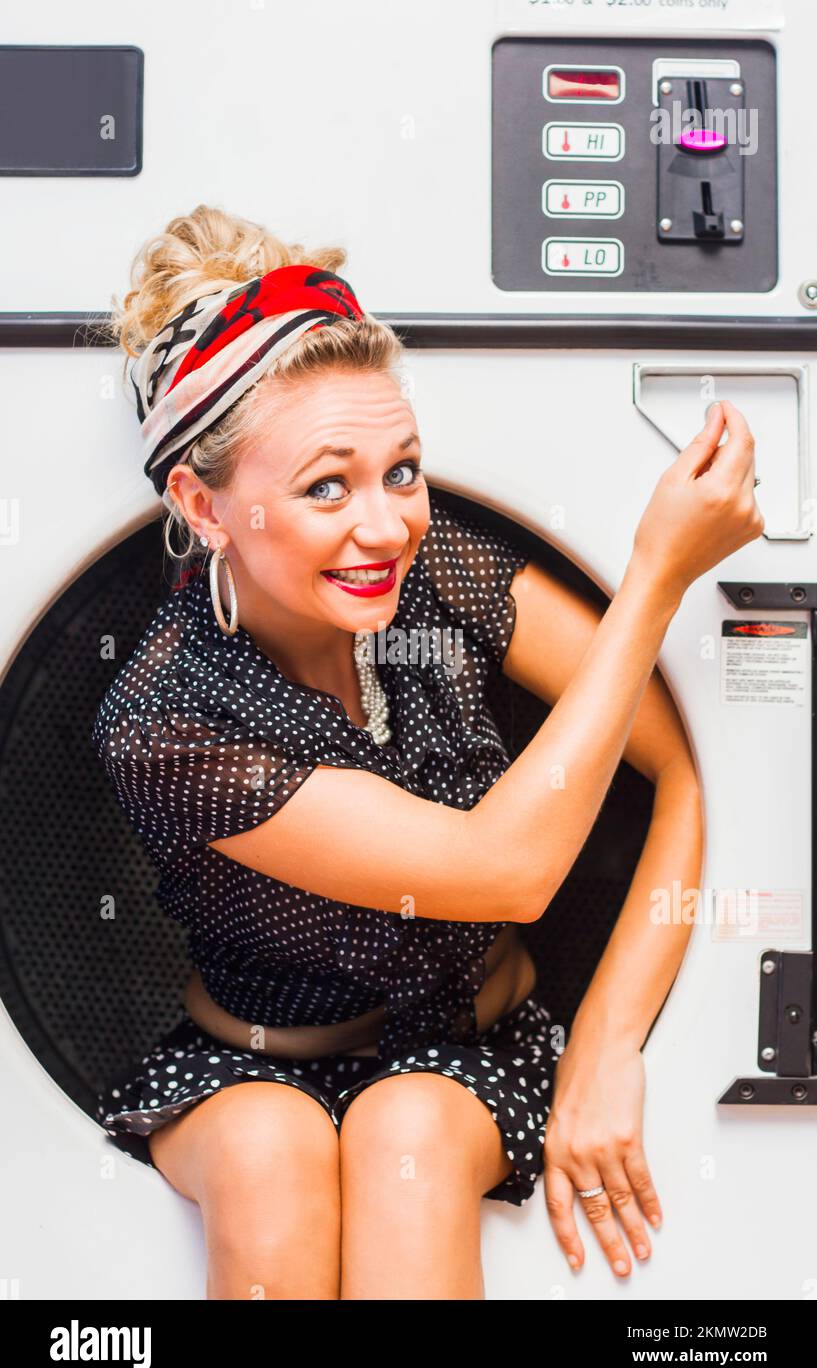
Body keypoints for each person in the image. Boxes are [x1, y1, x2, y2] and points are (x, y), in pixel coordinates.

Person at [92, 204, 762, 1301]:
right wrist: (656, 574)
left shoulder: (432, 567)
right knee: (268, 1152)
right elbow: (504, 869)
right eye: (325, 485)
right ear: (203, 505)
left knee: (405, 1132)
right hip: (250, 1064)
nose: (385, 524)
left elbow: (680, 767)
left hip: (473, 1043)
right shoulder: (166, 717)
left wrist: (607, 1044)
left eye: (400, 470)